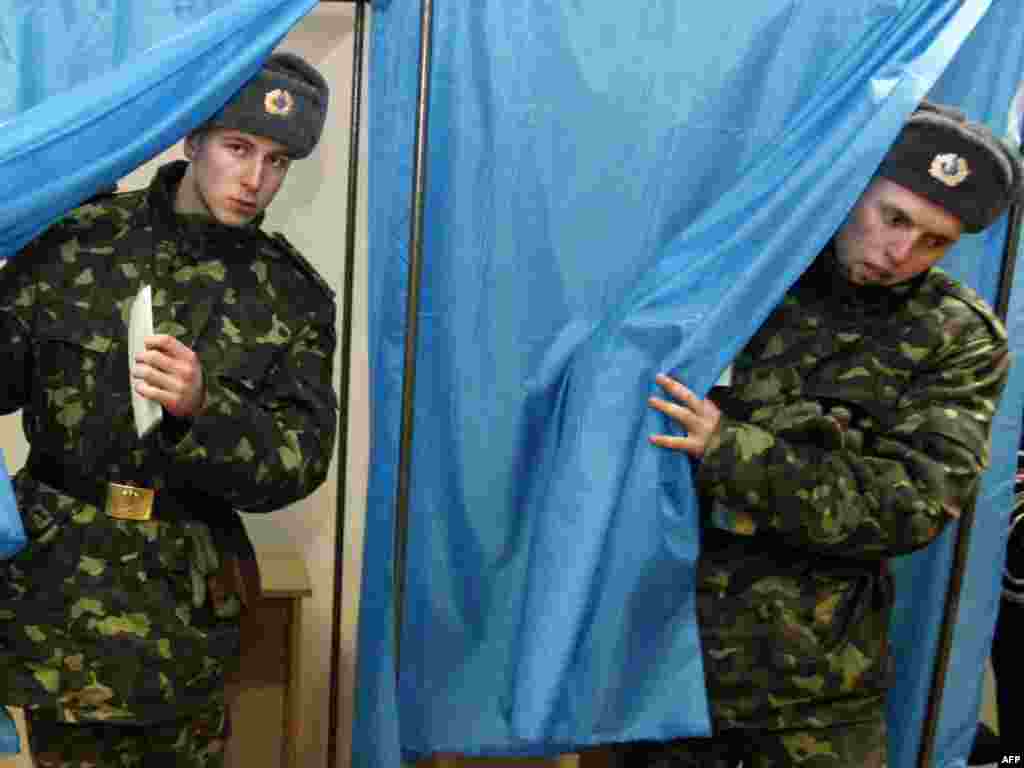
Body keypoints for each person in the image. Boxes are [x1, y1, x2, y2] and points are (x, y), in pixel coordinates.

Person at [628, 102, 1023, 767]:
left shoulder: (955, 337)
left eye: (935, 240)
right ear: (850, 184)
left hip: (811, 696)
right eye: (893, 218)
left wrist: (730, 450)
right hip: (660, 668)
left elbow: (909, 508)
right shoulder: (742, 275)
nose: (902, 254)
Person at [0, 52, 336, 766]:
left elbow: (300, 461)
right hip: (61, 583)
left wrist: (205, 407)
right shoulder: (75, 244)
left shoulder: (292, 298)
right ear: (192, 140)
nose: (255, 180)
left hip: (183, 600)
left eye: (277, 161)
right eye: (238, 148)